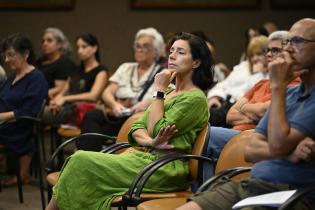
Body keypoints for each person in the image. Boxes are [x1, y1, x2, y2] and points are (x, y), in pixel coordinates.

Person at [45, 32, 214, 210]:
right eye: (172, 50)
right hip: (144, 157)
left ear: (196, 62)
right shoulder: (170, 92)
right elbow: (137, 126)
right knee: (78, 162)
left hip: (164, 169)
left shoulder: (195, 99)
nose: (172, 55)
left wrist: (158, 91)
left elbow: (156, 129)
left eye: (181, 52)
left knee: (80, 160)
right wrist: (151, 141)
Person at [176, 18, 315, 210]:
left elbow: (275, 142)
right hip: (254, 185)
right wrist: (288, 152)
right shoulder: (287, 93)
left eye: (297, 41)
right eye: (287, 42)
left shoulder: (283, 90)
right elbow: (251, 150)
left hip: (294, 193)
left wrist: (277, 86)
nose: (288, 49)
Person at [204, 30, 301, 179]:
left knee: (207, 134)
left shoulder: (295, 84)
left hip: (255, 139)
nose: (268, 54)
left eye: (275, 50)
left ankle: (206, 191)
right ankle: (208, 190)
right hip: (236, 134)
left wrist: (244, 108)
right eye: (267, 50)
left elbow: (265, 112)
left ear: (289, 53)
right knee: (205, 132)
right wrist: (254, 113)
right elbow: (230, 115)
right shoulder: (261, 83)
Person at [78, 27, 166, 151]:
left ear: (156, 51)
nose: (139, 50)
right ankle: (89, 156)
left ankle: (91, 156)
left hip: (139, 120)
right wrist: (114, 105)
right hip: (118, 116)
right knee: (91, 116)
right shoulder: (126, 67)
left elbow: (166, 97)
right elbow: (107, 92)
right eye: (137, 46)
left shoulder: (162, 73)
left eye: (145, 46)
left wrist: (146, 103)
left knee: (95, 136)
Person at [0, 33, 48, 185]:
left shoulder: (36, 78)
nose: (6, 60)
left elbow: (27, 112)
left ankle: (22, 174)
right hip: (6, 123)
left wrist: (0, 117)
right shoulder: (13, 76)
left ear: (25, 54)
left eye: (11, 55)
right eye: (5, 56)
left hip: (20, 127)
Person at [207, 35, 269, 128]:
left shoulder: (270, 75)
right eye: (252, 55)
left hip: (238, 108)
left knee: (202, 119)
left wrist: (258, 74)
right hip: (224, 103)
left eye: (259, 54)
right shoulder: (243, 67)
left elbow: (252, 94)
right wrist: (214, 97)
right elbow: (224, 84)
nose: (255, 58)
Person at [48, 33, 109, 125]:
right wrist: (56, 101)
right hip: (68, 108)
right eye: (78, 47)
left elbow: (93, 96)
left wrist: (65, 99)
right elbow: (64, 91)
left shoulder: (101, 71)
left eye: (84, 47)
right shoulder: (75, 70)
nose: (80, 51)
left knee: (51, 114)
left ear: (94, 48)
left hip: (86, 112)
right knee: (47, 111)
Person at [36, 27, 76, 99]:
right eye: (43, 41)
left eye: (49, 40)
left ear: (59, 44)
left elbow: (60, 89)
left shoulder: (64, 63)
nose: (45, 44)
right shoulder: (39, 61)